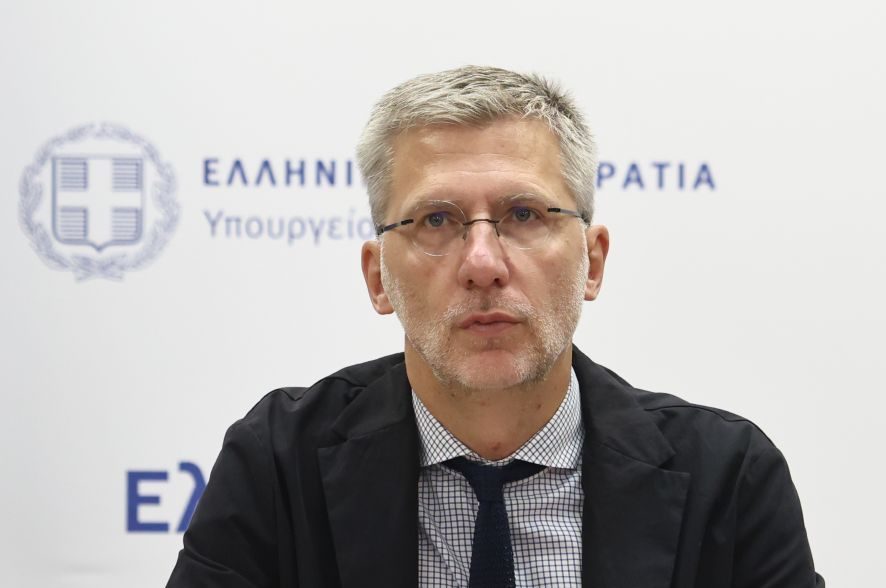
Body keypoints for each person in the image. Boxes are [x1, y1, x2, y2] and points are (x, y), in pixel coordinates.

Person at [167, 66, 824, 588]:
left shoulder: (728, 479)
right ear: (377, 278)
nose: (482, 264)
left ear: (592, 262)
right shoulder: (278, 466)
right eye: (436, 220)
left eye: (524, 214)